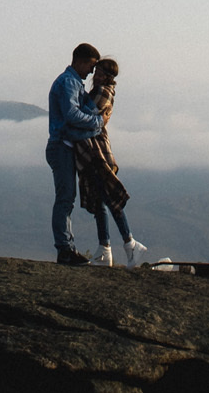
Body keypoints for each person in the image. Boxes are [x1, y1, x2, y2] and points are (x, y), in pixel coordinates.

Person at [74, 57, 147, 265]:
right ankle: (106, 248)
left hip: (98, 154)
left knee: (108, 199)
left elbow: (85, 117)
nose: (95, 76)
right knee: (100, 201)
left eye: (99, 73)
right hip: (93, 153)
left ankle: (129, 244)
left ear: (108, 77)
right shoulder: (99, 92)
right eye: (95, 72)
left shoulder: (102, 93)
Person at [46, 41, 103, 264]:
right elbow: (71, 114)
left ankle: (66, 247)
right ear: (79, 61)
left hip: (64, 146)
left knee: (67, 198)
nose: (91, 71)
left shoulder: (73, 83)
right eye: (90, 65)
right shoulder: (69, 83)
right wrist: (97, 122)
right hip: (62, 146)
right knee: (65, 198)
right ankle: (64, 249)